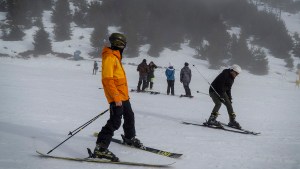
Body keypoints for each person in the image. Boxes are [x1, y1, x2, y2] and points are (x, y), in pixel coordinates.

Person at [94, 33, 143, 162]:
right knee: (115, 121)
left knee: (129, 116)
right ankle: (101, 148)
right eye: (123, 45)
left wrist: (123, 96)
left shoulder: (116, 57)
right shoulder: (110, 57)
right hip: (116, 97)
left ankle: (129, 137)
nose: (124, 47)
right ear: (119, 44)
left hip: (123, 96)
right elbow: (107, 80)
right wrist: (116, 98)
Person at [206, 64, 242, 129]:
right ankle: (211, 119)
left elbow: (228, 89)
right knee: (218, 103)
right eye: (236, 73)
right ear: (232, 71)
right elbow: (220, 85)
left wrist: (229, 98)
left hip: (222, 92)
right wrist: (221, 96)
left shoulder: (232, 78)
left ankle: (232, 121)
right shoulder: (225, 73)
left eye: (237, 74)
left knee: (229, 104)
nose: (236, 75)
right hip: (214, 90)